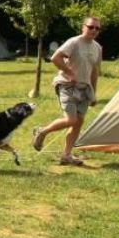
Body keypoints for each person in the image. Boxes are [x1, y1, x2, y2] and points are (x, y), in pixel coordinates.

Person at [32, 17, 103, 165]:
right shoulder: (74, 42)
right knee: (71, 120)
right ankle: (42, 131)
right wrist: (70, 73)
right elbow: (55, 58)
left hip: (84, 89)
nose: (94, 30)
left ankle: (66, 155)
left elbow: (95, 71)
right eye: (91, 27)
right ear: (83, 27)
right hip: (67, 85)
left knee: (78, 122)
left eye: (97, 28)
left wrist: (93, 93)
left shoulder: (97, 48)